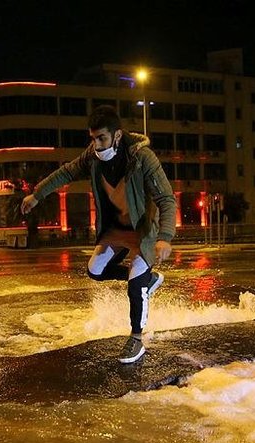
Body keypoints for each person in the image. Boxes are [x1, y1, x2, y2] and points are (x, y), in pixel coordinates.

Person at [21, 105, 176, 364]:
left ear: (116, 135)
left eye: (102, 138)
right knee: (95, 269)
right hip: (114, 230)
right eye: (92, 138)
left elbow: (166, 199)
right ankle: (146, 280)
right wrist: (37, 194)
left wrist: (165, 237)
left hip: (142, 231)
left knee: (135, 284)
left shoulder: (143, 158)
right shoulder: (92, 157)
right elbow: (66, 172)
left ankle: (137, 339)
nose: (96, 144)